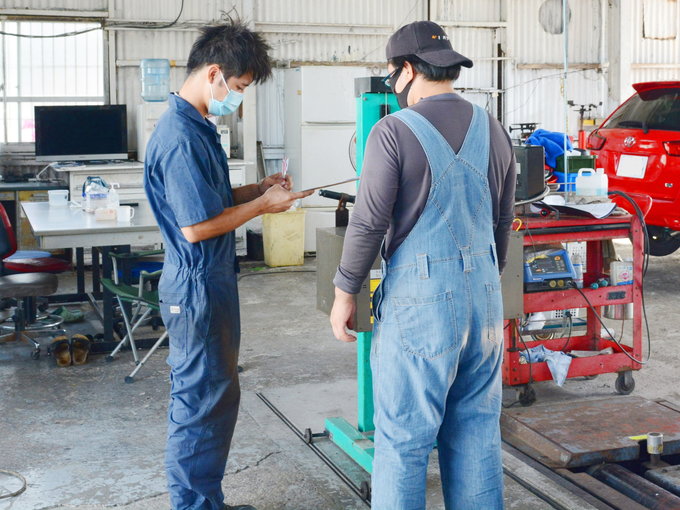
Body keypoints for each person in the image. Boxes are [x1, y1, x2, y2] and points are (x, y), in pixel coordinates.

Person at [330, 20, 516, 510]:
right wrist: (482, 282)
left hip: (422, 305)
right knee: (476, 433)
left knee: (404, 442)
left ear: (407, 70)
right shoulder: (494, 129)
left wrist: (345, 292)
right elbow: (503, 221)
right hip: (485, 303)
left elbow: (368, 222)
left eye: (393, 74)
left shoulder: (393, 131)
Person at [144, 20, 312, 510]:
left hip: (210, 280)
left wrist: (259, 189)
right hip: (197, 285)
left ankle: (205, 502)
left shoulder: (198, 127)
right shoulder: (180, 136)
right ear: (214, 73)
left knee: (213, 399)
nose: (237, 97)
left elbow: (212, 200)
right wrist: (262, 207)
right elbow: (196, 227)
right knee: (200, 404)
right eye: (238, 87)